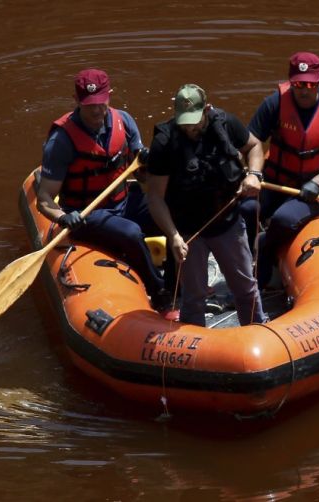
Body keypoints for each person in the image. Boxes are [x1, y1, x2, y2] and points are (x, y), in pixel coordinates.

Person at [36, 68, 164, 302]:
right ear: (76, 101)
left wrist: (147, 164)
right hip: (87, 214)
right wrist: (63, 217)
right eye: (89, 105)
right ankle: (160, 293)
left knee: (174, 213)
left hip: (124, 201)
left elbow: (142, 176)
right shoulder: (61, 141)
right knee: (131, 233)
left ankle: (178, 282)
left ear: (110, 96)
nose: (96, 110)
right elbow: (44, 198)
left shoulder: (124, 121)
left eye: (100, 103)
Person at [145, 84, 268, 327]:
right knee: (194, 296)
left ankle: (257, 328)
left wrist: (254, 174)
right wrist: (173, 236)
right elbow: (155, 197)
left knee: (245, 287)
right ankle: (194, 339)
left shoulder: (227, 123)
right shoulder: (164, 142)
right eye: (184, 122)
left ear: (206, 109)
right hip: (188, 230)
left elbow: (254, 146)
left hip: (227, 223)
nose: (189, 128)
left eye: (194, 121)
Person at [240, 51, 319, 288]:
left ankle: (264, 250)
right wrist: (251, 174)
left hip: (313, 191)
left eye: (309, 84)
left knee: (283, 219)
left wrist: (318, 181)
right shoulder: (275, 103)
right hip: (274, 182)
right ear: (290, 81)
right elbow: (251, 142)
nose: (303, 90)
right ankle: (245, 258)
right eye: (298, 84)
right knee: (246, 208)